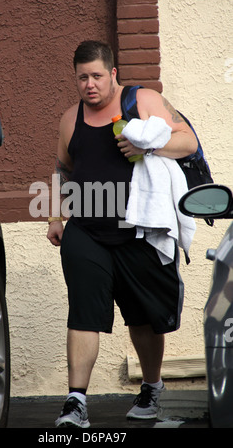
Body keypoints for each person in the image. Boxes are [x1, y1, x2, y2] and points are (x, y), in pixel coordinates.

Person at [47, 40, 198, 428]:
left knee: (144, 317)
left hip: (140, 231)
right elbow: (63, 170)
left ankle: (150, 387)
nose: (90, 85)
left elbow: (188, 141)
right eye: (82, 77)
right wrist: (54, 217)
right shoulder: (70, 118)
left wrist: (149, 144)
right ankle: (75, 401)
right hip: (87, 231)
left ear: (113, 73)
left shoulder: (142, 100)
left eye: (97, 75)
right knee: (83, 313)